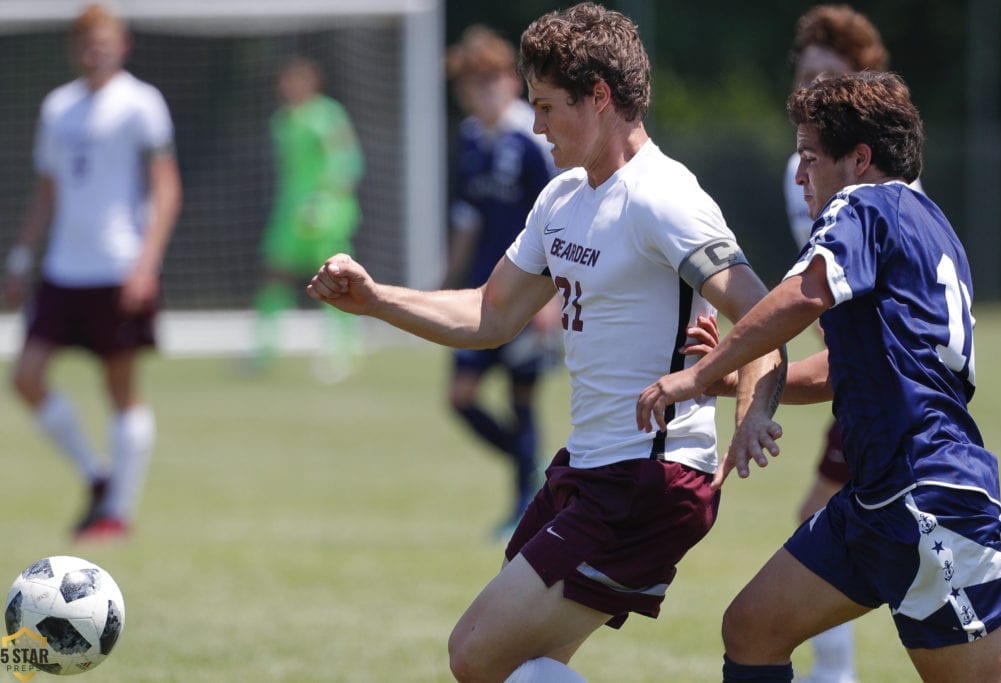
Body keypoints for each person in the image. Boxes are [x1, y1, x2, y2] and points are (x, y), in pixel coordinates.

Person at [308, 4, 785, 680]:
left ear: (601, 97)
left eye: (548, 105)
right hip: (588, 469)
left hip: (651, 476)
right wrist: (376, 299)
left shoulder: (661, 197)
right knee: (519, 665)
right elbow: (490, 313)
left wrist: (752, 403)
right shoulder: (561, 198)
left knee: (474, 652)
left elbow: (761, 308)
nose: (535, 124)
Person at [636, 71, 1001, 683]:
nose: (799, 176)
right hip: (877, 499)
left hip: (927, 496)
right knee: (752, 628)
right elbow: (847, 372)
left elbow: (805, 294)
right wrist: (731, 382)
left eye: (810, 158)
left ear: (859, 159)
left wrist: (699, 372)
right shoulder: (929, 223)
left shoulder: (861, 202)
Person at [3, 3, 182, 540]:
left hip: (117, 266)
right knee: (26, 377)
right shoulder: (58, 107)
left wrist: (146, 264)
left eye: (104, 40)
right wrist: (20, 256)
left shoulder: (141, 103)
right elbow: (47, 191)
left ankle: (118, 512)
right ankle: (98, 476)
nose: (94, 49)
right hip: (62, 269)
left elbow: (166, 188)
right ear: (75, 48)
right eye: (85, 41)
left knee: (120, 389)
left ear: (122, 44)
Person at [783, 7, 895, 681]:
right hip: (848, 361)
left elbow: (818, 284)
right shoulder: (800, 162)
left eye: (827, 75)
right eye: (804, 75)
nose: (813, 87)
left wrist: (733, 361)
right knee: (886, 511)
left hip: (880, 367)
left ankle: (834, 675)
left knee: (825, 517)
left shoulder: (875, 167)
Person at [443, 24, 560, 538]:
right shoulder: (470, 141)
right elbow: (467, 222)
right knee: (460, 396)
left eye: (489, 80)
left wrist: (550, 298)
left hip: (528, 294)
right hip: (481, 293)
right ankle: (536, 475)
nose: (481, 92)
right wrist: (445, 284)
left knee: (520, 397)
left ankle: (524, 503)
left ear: (512, 83)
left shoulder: (531, 141)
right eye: (471, 83)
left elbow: (560, 220)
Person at [251, 56, 365, 382]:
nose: (290, 88)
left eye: (297, 81)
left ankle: (343, 348)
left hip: (324, 213)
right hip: (289, 214)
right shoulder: (281, 122)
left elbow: (348, 160)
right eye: (286, 82)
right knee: (274, 276)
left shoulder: (327, 115)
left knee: (332, 281)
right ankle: (264, 349)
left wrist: (328, 200)